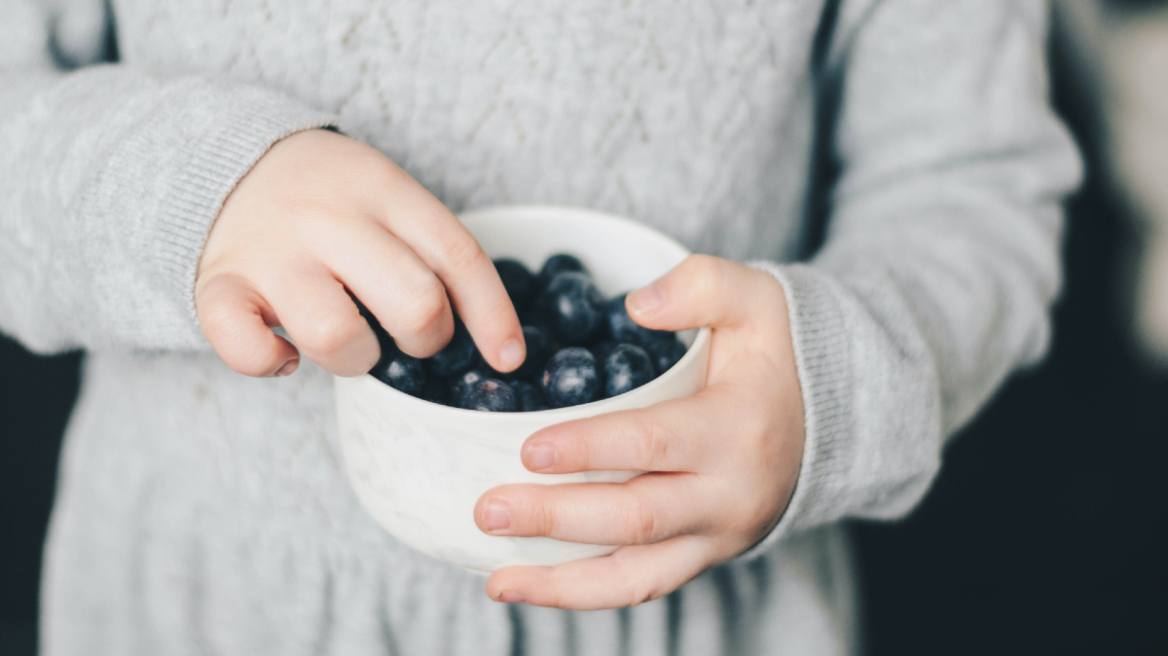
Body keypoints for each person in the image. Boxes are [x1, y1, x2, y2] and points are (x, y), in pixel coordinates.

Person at [0, 0, 1081, 654]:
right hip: (203, 607)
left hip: (702, 616)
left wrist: (830, 386)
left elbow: (972, 185)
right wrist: (187, 190)